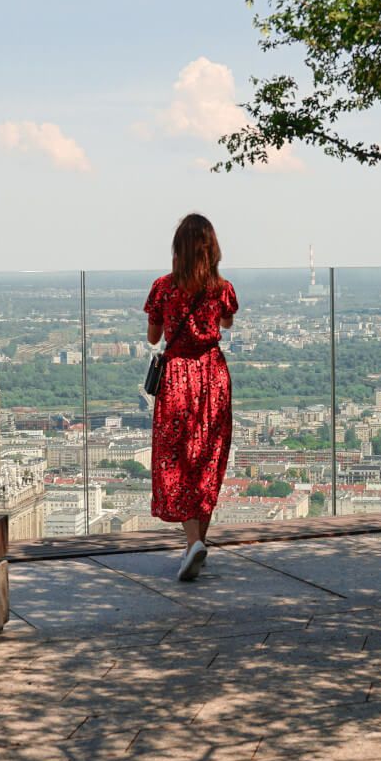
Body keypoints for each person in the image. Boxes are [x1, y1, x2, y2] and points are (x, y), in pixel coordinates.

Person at [146, 213, 238, 581]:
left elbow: (155, 337)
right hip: (213, 375)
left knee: (177, 459)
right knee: (208, 458)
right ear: (211, 249)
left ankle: (192, 543)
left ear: (178, 250)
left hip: (178, 378)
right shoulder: (222, 288)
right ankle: (197, 543)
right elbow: (227, 323)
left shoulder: (163, 288)